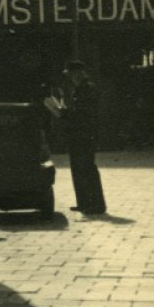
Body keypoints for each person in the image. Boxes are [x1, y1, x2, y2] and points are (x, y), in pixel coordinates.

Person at [58, 59, 107, 216]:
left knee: (86, 169)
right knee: (78, 169)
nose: (70, 78)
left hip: (84, 135)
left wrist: (65, 113)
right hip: (78, 134)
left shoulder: (87, 89)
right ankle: (84, 202)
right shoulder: (81, 89)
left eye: (71, 74)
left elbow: (84, 114)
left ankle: (96, 204)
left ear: (77, 73)